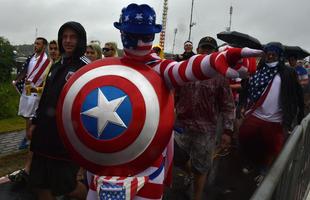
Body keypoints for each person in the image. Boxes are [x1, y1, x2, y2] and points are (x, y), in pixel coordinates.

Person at [84, 4, 262, 200]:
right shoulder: (107, 69)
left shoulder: (160, 68)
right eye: (132, 35)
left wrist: (220, 59)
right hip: (105, 160)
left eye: (145, 36)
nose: (138, 42)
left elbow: (187, 69)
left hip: (147, 161)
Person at [28, 21, 90, 200]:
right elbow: (46, 96)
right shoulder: (56, 64)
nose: (67, 41)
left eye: (73, 37)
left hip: (64, 139)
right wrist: (35, 122)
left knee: (66, 186)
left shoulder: (86, 67)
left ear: (81, 40)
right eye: (64, 37)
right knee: (39, 185)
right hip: (44, 136)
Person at [174, 36, 235, 200]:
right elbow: (174, 95)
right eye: (203, 48)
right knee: (174, 157)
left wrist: (227, 132)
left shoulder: (220, 77)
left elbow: (228, 106)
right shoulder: (185, 70)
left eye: (210, 49)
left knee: (201, 168)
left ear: (215, 53)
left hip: (205, 130)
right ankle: (190, 173)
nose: (206, 51)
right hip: (182, 127)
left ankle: (197, 196)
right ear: (198, 50)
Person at [238, 42, 304, 184]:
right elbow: (245, 89)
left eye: (274, 52)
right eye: (268, 52)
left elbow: (297, 94)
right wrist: (241, 106)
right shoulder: (258, 69)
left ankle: (264, 169)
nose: (271, 54)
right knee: (246, 139)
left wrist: (297, 117)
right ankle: (252, 162)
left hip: (276, 118)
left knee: (270, 147)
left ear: (280, 55)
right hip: (255, 114)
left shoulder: (288, 72)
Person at [12, 37, 51, 150]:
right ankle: (29, 135)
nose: (35, 45)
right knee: (27, 115)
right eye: (35, 43)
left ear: (44, 46)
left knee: (31, 115)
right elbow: (24, 71)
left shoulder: (46, 61)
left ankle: (28, 138)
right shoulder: (31, 57)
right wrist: (18, 80)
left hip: (36, 91)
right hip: (27, 89)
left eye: (38, 44)